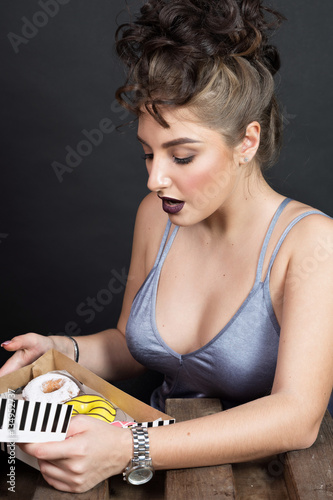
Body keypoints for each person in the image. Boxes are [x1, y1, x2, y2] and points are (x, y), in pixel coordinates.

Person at [1, 0, 333, 493]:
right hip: (147, 469)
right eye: (148, 154)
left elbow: (296, 417)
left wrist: (130, 445)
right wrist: (61, 349)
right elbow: (131, 348)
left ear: (246, 142)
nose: (156, 178)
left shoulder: (310, 243)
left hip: (267, 480)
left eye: (181, 155)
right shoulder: (157, 218)